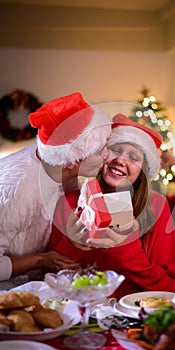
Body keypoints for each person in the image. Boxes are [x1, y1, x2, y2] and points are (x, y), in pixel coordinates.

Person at [48, 113, 175, 299]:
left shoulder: (156, 205)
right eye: (116, 150)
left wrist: (128, 248)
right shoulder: (71, 201)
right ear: (103, 154)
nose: (121, 160)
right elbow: (50, 277)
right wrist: (73, 245)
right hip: (80, 314)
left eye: (134, 157)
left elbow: (168, 286)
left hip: (132, 315)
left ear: (143, 171)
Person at [0, 91, 112, 287]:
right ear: (72, 161)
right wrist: (41, 260)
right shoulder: (18, 188)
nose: (107, 155)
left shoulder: (64, 169)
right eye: (99, 151)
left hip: (34, 286)